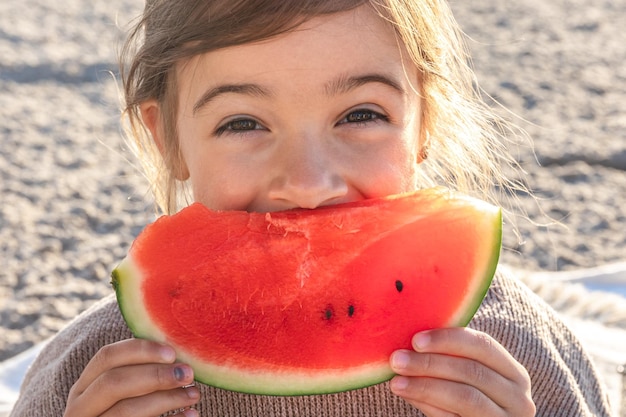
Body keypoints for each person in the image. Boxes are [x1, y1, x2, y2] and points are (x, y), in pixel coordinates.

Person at [9, 0, 613, 416]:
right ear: (166, 138)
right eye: (243, 122)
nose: (307, 182)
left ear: (425, 119)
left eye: (359, 115)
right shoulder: (93, 374)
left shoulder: (523, 355)